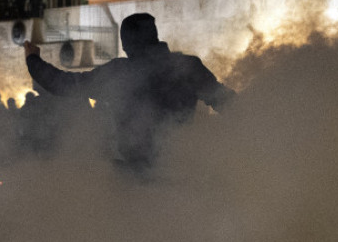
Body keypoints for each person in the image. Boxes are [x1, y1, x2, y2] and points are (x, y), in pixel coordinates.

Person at [23, 12, 234, 169]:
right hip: (180, 167)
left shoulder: (120, 72)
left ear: (127, 43)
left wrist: (33, 60)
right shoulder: (188, 66)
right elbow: (227, 103)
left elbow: (66, 85)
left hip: (136, 173)